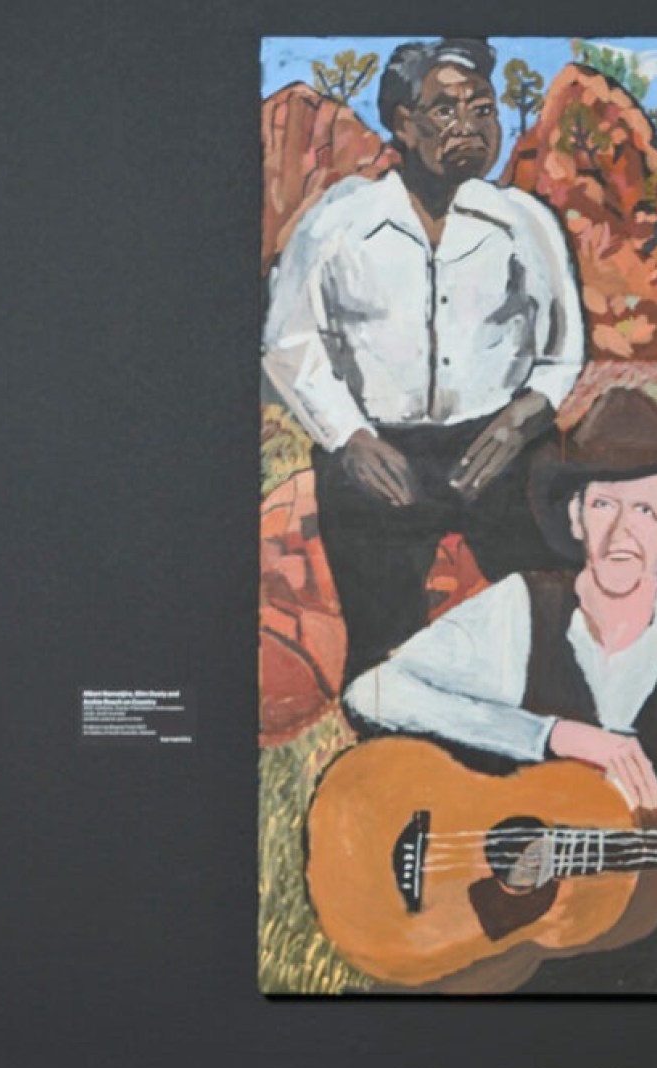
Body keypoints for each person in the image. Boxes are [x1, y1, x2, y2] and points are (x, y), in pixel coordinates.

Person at [343, 388, 657, 996]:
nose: (622, 533)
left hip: (642, 947)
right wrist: (552, 737)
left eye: (647, 510)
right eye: (604, 503)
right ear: (576, 515)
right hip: (487, 937)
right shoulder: (518, 615)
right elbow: (372, 694)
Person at [262, 38, 586, 686]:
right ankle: (393, 768)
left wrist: (522, 419)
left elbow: (563, 347)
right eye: (444, 110)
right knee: (383, 654)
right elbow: (287, 341)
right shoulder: (338, 223)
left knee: (549, 629)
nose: (469, 126)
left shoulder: (524, 222)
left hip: (501, 447)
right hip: (375, 454)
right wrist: (349, 438)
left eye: (482, 109)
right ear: (401, 124)